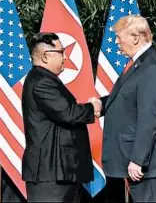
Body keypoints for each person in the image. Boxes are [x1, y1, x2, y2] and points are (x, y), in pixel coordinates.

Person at [92, 15, 156, 202]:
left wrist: (138, 159)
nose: (116, 42)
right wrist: (101, 104)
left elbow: (149, 117)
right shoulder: (139, 63)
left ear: (136, 37)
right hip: (130, 158)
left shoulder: (151, 66)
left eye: (119, 37)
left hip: (144, 164)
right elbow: (126, 98)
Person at [21, 32, 101, 202]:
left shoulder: (42, 79)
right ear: (45, 56)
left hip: (57, 172)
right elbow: (68, 113)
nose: (65, 57)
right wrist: (92, 107)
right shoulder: (42, 81)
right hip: (51, 175)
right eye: (61, 52)